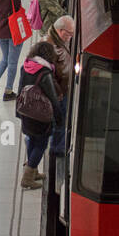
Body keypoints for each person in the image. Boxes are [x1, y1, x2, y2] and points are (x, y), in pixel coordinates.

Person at [17, 42, 62, 190]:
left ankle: (34, 171)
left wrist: (18, 111)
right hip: (40, 114)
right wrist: (59, 117)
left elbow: (20, 89)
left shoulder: (25, 66)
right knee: (41, 144)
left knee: (31, 140)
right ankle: (28, 178)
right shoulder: (45, 73)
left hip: (26, 111)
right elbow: (53, 97)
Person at [45, 15, 77, 156]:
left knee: (61, 120)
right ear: (60, 30)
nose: (70, 37)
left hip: (61, 91)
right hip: (58, 94)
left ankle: (58, 146)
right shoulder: (49, 46)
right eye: (68, 34)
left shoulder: (59, 41)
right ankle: (57, 149)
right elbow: (47, 75)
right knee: (59, 121)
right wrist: (57, 92)